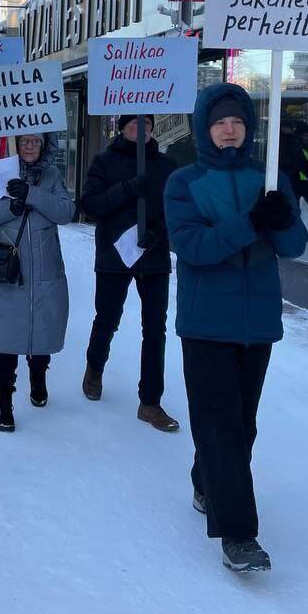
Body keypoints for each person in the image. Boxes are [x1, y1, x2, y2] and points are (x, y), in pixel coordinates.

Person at [164, 83, 308, 573]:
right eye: (221, 122)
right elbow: (195, 248)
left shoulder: (268, 178)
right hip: (206, 323)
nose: (230, 129)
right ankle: (239, 533)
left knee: (240, 423)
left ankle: (207, 480)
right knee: (221, 424)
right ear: (206, 128)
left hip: (258, 322)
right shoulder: (183, 182)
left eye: (238, 122)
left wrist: (279, 215)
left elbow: (293, 246)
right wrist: (251, 223)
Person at [0, 132, 74, 432]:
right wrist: (8, 207)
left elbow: (66, 212)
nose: (29, 146)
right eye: (24, 140)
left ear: (44, 145)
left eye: (35, 141)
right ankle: (3, 398)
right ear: (15, 142)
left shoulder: (51, 175)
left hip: (44, 270)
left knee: (43, 328)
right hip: (7, 271)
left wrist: (32, 195)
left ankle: (39, 376)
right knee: (5, 337)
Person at [79, 114, 181, 432]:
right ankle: (95, 367)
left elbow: (175, 210)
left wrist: (157, 235)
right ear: (122, 129)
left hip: (153, 255)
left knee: (155, 329)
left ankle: (150, 402)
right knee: (106, 318)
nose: (141, 131)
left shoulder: (165, 166)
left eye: (146, 126)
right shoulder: (104, 161)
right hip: (114, 254)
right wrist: (124, 189)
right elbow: (90, 205)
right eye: (134, 125)